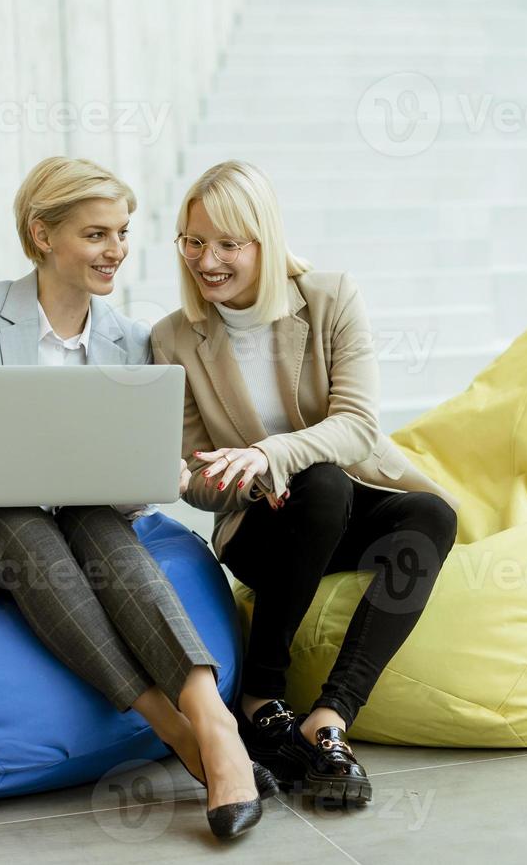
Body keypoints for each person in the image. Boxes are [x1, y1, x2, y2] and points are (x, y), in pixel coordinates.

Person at [0, 156, 269, 839]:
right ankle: (171, 725)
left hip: (71, 533)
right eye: (95, 234)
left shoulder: (129, 341)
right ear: (42, 235)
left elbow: (123, 507)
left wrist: (153, 477)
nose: (115, 251)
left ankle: (210, 718)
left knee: (89, 518)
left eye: (121, 232)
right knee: (21, 521)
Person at [150, 159, 461, 807]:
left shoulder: (329, 297)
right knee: (322, 488)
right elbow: (195, 479)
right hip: (259, 533)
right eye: (193, 241)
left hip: (339, 499)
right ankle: (262, 694)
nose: (207, 260)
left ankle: (330, 716)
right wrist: (245, 479)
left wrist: (272, 454)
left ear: (263, 241)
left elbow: (358, 424)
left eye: (227, 244)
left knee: (429, 516)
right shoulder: (172, 338)